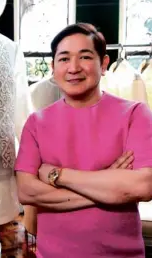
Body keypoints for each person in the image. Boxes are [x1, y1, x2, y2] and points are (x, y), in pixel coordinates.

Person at [15, 23, 152, 257]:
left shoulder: (135, 114)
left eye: (85, 57)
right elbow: (27, 192)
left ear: (104, 64)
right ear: (52, 67)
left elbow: (143, 186)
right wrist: (109, 185)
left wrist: (56, 175)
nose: (74, 68)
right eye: (64, 59)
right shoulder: (36, 123)